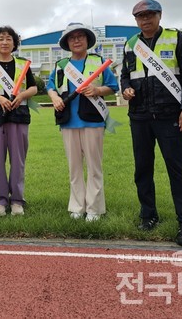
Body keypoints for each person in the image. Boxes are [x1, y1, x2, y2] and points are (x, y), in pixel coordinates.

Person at [121, 0, 182, 247]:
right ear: (135, 20)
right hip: (140, 116)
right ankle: (148, 215)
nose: (145, 19)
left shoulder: (176, 38)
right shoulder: (130, 44)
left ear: (159, 15)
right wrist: (126, 89)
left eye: (150, 14)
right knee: (142, 168)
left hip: (169, 115)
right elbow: (125, 75)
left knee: (177, 169)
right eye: (140, 16)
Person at [47, 23, 118, 222]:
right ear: (67, 43)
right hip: (68, 122)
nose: (77, 40)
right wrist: (54, 98)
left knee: (95, 167)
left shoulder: (99, 62)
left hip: (93, 121)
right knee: (74, 168)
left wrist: (97, 90)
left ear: (87, 40)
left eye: (81, 37)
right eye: (72, 38)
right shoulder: (61, 65)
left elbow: (113, 86)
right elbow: (50, 86)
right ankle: (77, 207)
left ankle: (95, 208)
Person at [0, 26, 38, 217]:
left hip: (18, 116)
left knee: (18, 160)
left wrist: (22, 96)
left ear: (14, 43)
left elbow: (34, 88)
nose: (4, 42)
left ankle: (18, 200)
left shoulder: (23, 64)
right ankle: (0, 200)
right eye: (1, 39)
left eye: (8, 39)